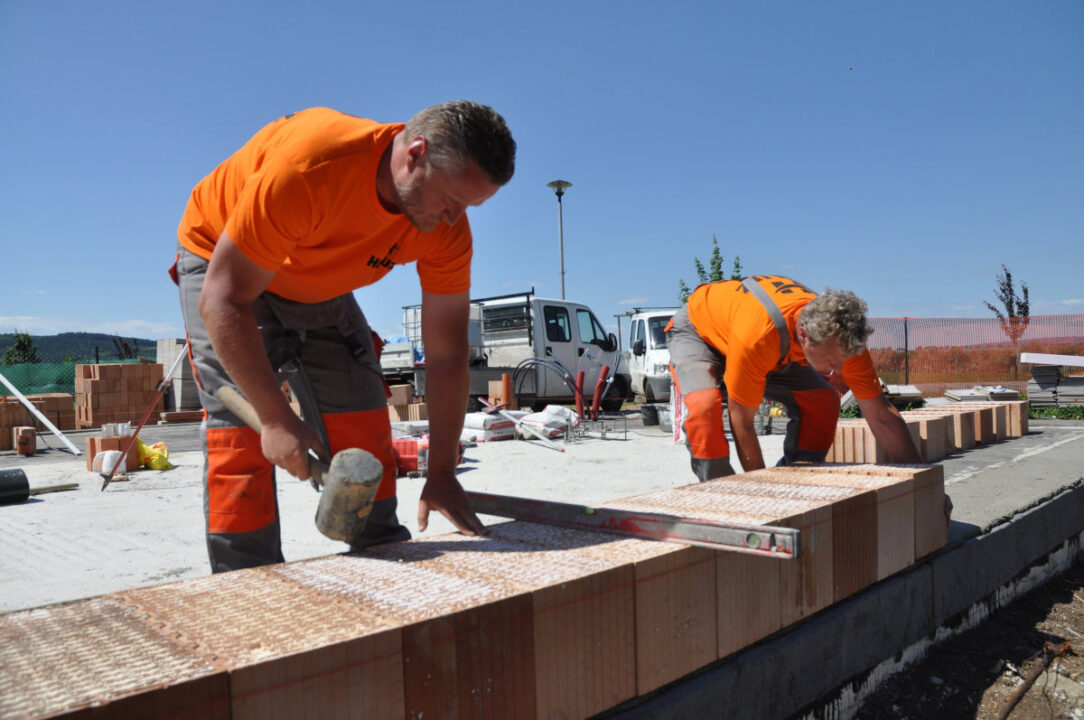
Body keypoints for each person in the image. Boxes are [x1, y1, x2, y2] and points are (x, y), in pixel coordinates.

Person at [172, 101, 516, 572]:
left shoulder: (445, 230)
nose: (455, 219)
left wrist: (441, 473)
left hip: (314, 276)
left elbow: (447, 354)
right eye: (451, 201)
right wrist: (274, 419)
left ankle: (380, 551)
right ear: (415, 154)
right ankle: (246, 580)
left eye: (470, 208)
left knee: (361, 418)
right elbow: (223, 300)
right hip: (223, 262)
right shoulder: (310, 168)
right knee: (242, 436)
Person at [667, 274, 922, 480]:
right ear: (804, 335)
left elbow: (881, 416)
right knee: (705, 408)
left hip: (766, 342)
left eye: (840, 361)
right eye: (830, 360)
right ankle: (718, 495)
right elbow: (742, 421)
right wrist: (762, 495)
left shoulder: (844, 341)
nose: (836, 369)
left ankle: (796, 479)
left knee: (822, 401)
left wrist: (923, 484)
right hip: (700, 332)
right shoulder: (759, 337)